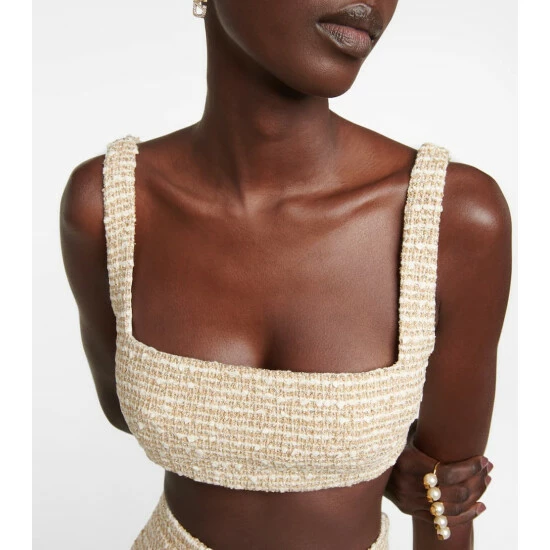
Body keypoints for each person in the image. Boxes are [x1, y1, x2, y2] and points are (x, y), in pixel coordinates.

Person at [59, 1, 511, 548]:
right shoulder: (108, 205)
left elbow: (447, 508)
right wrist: (352, 451)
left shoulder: (451, 217)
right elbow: (124, 408)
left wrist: (372, 457)